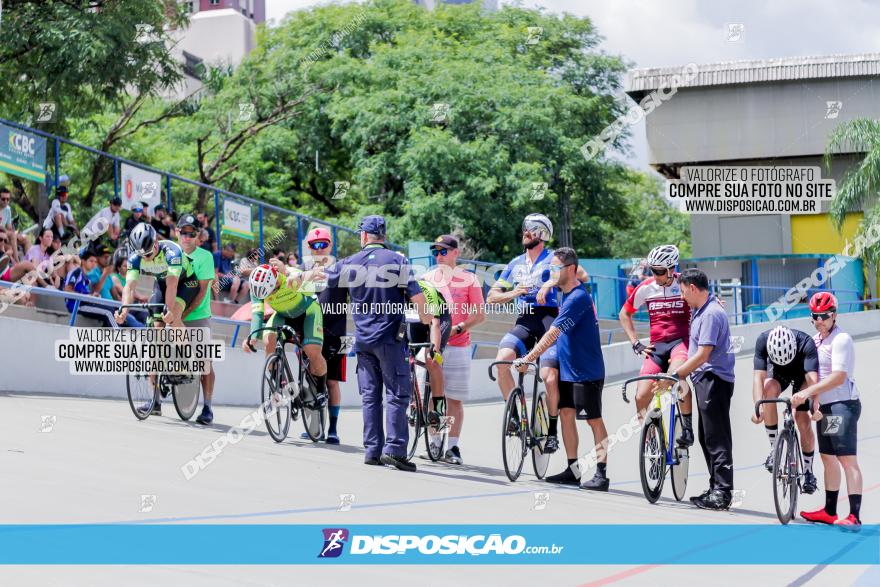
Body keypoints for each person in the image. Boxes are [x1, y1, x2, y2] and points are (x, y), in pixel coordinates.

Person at [324, 215, 430, 471]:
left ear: (363, 236)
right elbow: (417, 298)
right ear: (383, 236)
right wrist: (427, 321)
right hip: (391, 339)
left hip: (362, 340)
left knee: (370, 396)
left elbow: (328, 297)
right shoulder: (397, 260)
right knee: (396, 394)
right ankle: (394, 450)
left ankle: (372, 450)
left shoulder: (347, 263)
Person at [487, 213, 590, 458]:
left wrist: (549, 283)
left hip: (549, 319)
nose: (525, 233)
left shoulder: (554, 258)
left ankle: (552, 433)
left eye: (530, 229)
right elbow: (491, 297)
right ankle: (514, 417)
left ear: (542, 235)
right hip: (524, 318)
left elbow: (581, 275)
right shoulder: (515, 264)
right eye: (524, 228)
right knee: (502, 360)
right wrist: (513, 293)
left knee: (549, 377)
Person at [515, 248, 609, 490]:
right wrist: (547, 285)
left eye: (556, 268)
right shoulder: (563, 292)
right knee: (567, 416)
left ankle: (602, 474)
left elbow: (553, 333)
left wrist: (529, 357)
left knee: (594, 421)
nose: (551, 272)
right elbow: (547, 282)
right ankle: (572, 470)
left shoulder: (578, 297)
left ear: (571, 270)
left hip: (586, 371)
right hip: (568, 369)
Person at [797, 292, 863, 529]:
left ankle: (854, 515)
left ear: (834, 315)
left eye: (824, 316)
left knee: (846, 459)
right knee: (827, 458)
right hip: (825, 406)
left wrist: (808, 392)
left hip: (842, 404)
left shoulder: (841, 339)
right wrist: (812, 398)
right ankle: (830, 511)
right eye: (815, 316)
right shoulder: (816, 341)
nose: (819, 320)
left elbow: (837, 377)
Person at [671, 269, 736, 511]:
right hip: (706, 380)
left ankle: (722, 492)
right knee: (706, 437)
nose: (681, 296)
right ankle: (715, 487)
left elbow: (703, 354)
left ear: (692, 288)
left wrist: (677, 374)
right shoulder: (702, 309)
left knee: (717, 438)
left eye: (682, 290)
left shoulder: (710, 314)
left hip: (714, 379)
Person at [619, 244, 695, 446]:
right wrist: (635, 342)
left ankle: (687, 427)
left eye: (659, 271)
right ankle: (652, 442)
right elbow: (624, 314)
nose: (655, 274)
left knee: (676, 377)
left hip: (681, 342)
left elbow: (704, 301)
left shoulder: (686, 284)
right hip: (657, 346)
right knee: (641, 395)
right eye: (653, 270)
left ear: (671, 269)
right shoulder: (646, 287)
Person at [421, 234, 486, 465]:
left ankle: (452, 446)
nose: (439, 256)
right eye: (435, 252)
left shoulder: (469, 279)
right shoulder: (427, 277)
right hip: (433, 345)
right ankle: (436, 441)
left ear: (456, 253)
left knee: (454, 399)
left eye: (444, 251)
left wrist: (459, 327)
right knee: (433, 396)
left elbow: (479, 314)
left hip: (458, 345)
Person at [243, 261, 329, 412]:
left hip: (307, 311)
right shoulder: (257, 287)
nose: (269, 296)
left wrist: (292, 276)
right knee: (268, 338)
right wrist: (253, 337)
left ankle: (322, 390)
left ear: (275, 282)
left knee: (312, 350)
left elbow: (310, 288)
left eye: (270, 292)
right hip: (283, 315)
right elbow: (257, 312)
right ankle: (279, 383)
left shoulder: (288, 276)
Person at [752, 325, 820, 494]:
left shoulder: (806, 343)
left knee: (802, 419)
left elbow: (812, 381)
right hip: (778, 373)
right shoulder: (762, 340)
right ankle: (775, 449)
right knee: (768, 392)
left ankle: (808, 471)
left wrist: (814, 406)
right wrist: (757, 407)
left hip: (801, 374)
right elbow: (758, 378)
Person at [302, 227, 346, 444]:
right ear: (309, 248)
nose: (319, 249)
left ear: (330, 245)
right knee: (311, 379)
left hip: (336, 333)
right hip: (309, 331)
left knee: (332, 382)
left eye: (323, 244)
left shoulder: (341, 268)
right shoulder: (303, 269)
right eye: (314, 245)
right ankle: (313, 425)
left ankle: (333, 429)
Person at [406, 278, 452, 457]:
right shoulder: (391, 290)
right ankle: (413, 400)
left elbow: (435, 323)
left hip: (438, 318)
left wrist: (435, 350)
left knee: (431, 360)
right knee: (406, 356)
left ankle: (439, 406)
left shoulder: (423, 289)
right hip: (414, 320)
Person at [178, 214, 217, 425]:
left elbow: (202, 292)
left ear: (197, 236)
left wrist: (183, 314)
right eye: (183, 233)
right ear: (177, 233)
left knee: (205, 361)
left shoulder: (205, 256)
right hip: (175, 313)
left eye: (191, 233)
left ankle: (208, 406)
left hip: (197, 315)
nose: (186, 237)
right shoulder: (171, 254)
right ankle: (154, 399)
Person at [65, 246, 142, 328]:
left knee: (120, 313)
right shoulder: (77, 272)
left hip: (87, 303)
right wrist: (88, 296)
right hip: (77, 306)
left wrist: (92, 295)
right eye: (91, 261)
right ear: (83, 262)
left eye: (94, 261)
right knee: (108, 312)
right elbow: (67, 290)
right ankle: (117, 336)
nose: (93, 264)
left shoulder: (86, 276)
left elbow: (114, 296)